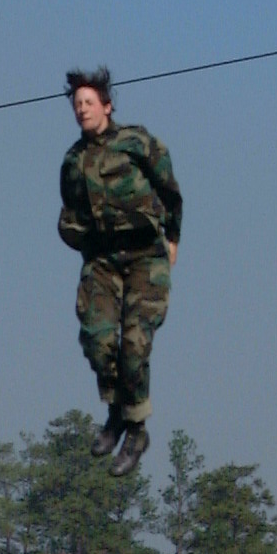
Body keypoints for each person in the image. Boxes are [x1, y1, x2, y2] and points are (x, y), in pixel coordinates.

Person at [58, 67, 182, 477]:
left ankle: (136, 429)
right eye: (77, 104)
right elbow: (70, 213)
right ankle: (115, 413)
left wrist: (173, 237)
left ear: (107, 107)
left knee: (134, 346)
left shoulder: (136, 143)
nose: (82, 110)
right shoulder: (73, 162)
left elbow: (169, 187)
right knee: (97, 339)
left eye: (88, 102)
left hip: (146, 256)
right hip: (102, 261)